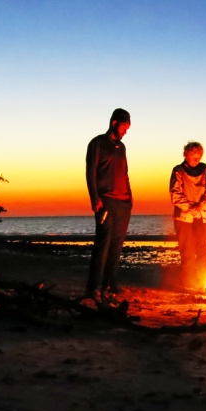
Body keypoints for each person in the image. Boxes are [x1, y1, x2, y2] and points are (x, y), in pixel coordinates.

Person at [85, 108, 132, 298]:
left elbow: (125, 173)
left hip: (123, 203)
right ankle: (93, 286)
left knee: (117, 245)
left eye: (128, 128)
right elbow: (90, 172)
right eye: (124, 127)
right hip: (105, 201)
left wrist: (130, 197)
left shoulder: (122, 147)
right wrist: (95, 198)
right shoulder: (97, 143)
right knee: (103, 243)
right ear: (114, 123)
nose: (125, 132)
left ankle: (110, 281)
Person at [169, 141, 206, 291]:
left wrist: (201, 207)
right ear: (185, 155)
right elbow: (175, 195)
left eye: (198, 157)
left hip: (203, 218)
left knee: (203, 253)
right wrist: (191, 208)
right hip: (184, 218)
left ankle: (203, 283)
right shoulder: (178, 171)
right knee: (187, 253)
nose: (195, 160)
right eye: (192, 156)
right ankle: (188, 284)